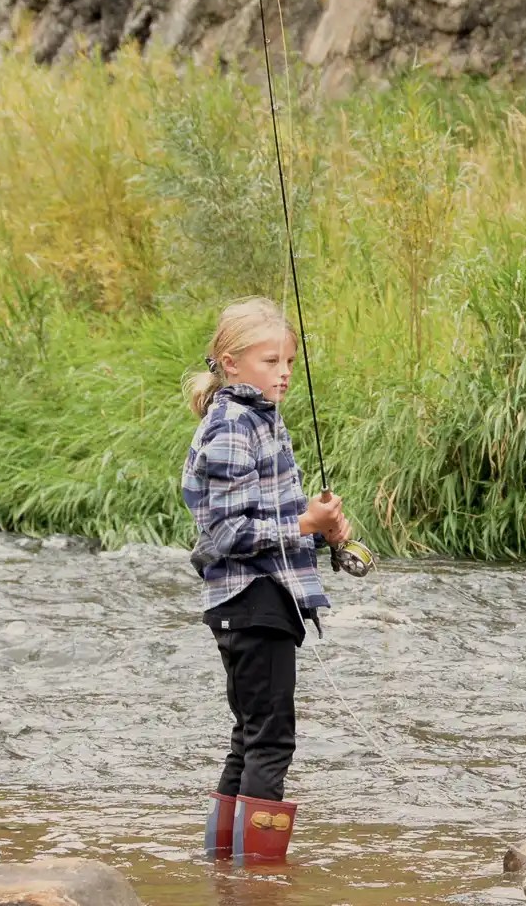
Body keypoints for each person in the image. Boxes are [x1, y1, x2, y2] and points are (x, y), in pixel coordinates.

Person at [181, 297, 350, 862]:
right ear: (230, 364)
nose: (282, 373)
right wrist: (305, 520)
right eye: (268, 360)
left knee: (250, 738)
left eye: (288, 363)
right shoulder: (233, 425)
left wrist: (321, 528)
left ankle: (226, 871)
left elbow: (262, 513)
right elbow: (227, 532)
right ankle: (258, 878)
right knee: (271, 740)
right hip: (251, 599)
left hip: (253, 599)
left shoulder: (257, 419)